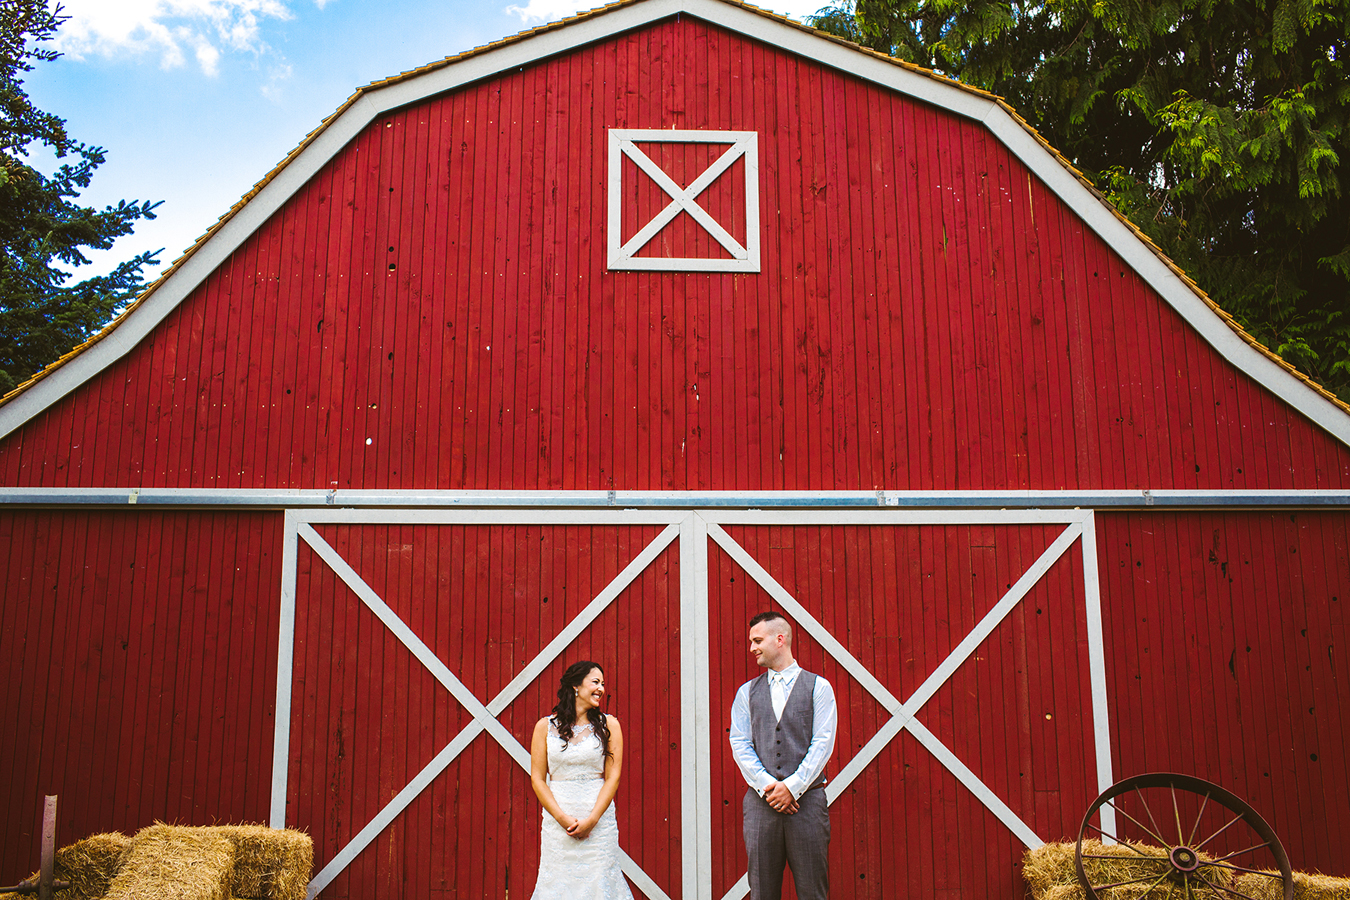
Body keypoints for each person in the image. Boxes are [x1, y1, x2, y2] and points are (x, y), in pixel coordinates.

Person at [729, 611, 837, 900]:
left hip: (808, 805)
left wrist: (792, 788)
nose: (752, 648)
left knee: (813, 891)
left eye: (757, 640)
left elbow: (823, 743)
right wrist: (770, 788)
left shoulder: (819, 687)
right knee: (762, 892)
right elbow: (740, 743)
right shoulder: (745, 693)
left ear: (780, 639)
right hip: (760, 806)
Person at [529, 660, 634, 899]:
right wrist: (562, 818)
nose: (601, 689)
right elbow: (538, 779)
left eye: (603, 684)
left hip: (598, 821)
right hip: (559, 821)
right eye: (595, 682)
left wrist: (593, 819)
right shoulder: (543, 728)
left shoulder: (610, 725)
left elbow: (613, 777)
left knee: (600, 883)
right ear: (576, 685)